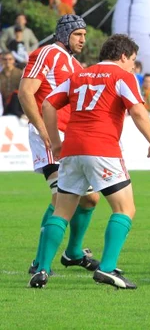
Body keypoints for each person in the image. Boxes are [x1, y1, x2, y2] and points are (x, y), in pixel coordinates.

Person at [29, 34, 150, 289]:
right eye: (132, 60)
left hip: (72, 149)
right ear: (122, 56)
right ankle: (108, 269)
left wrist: (56, 143)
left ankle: (42, 269)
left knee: (61, 211)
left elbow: (47, 104)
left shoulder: (79, 74)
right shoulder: (123, 77)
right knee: (125, 209)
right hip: (102, 148)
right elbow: (137, 110)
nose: (133, 66)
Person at [18, 15, 100, 276]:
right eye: (78, 34)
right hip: (48, 135)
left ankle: (73, 253)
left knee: (89, 199)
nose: (83, 40)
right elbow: (26, 92)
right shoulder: (47, 53)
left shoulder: (76, 66)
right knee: (60, 197)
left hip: (71, 137)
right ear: (64, 34)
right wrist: (42, 129)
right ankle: (39, 263)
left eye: (85, 35)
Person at [0, 52, 23, 117]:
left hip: (18, 106)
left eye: (10, 59)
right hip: (4, 106)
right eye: (5, 59)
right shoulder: (0, 75)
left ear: (13, 60)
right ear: (1, 60)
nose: (7, 61)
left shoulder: (20, 74)